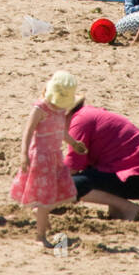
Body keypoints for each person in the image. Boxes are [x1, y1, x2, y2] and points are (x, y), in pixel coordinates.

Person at [10, 72, 85, 247]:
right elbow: (28, 132)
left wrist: (74, 143)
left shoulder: (60, 109)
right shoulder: (40, 108)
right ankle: (40, 236)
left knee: (59, 193)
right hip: (40, 157)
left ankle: (39, 214)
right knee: (44, 198)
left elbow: (60, 131)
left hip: (55, 156)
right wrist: (23, 154)